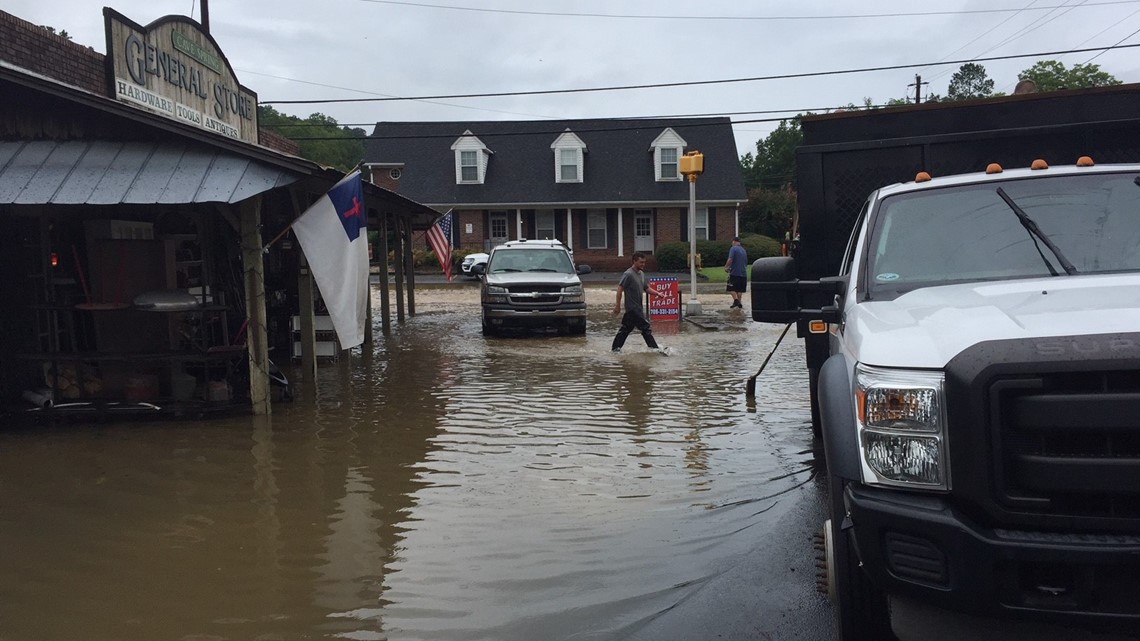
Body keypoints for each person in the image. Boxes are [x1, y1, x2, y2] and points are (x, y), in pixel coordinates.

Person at [612, 252, 667, 353]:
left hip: (638, 308)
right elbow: (620, 289)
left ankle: (615, 350)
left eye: (644, 262)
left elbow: (646, 288)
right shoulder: (628, 274)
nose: (643, 264)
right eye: (641, 262)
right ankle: (655, 350)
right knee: (645, 328)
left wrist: (657, 293)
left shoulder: (641, 274)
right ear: (634, 261)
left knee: (625, 329)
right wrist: (617, 306)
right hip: (632, 309)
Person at [725, 236, 748, 309]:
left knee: (730, 288)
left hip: (734, 273)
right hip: (743, 273)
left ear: (734, 241)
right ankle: (739, 303)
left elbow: (730, 259)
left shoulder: (733, 248)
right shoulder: (743, 250)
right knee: (739, 290)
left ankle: (736, 300)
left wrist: (726, 267)